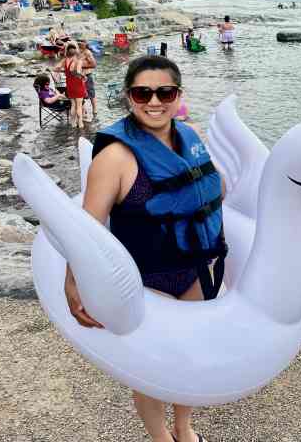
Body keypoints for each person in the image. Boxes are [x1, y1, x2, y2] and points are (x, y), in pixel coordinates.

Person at [65, 55, 226, 442]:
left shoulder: (190, 139)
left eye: (164, 92)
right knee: (153, 372)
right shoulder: (114, 157)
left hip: (191, 271)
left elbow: (211, 190)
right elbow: (87, 228)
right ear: (129, 97)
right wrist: (73, 282)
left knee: (189, 359)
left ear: (178, 95)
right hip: (142, 281)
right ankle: (160, 437)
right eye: (143, 93)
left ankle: (184, 427)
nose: (154, 102)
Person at [56, 43, 87, 128]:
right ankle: (80, 123)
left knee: (73, 105)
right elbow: (77, 72)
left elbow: (57, 67)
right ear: (75, 51)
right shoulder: (78, 61)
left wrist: (60, 73)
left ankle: (73, 123)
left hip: (69, 85)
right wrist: (83, 77)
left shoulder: (65, 60)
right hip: (78, 85)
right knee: (79, 106)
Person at [77, 40, 98, 122]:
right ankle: (84, 111)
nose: (80, 44)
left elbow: (94, 64)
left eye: (81, 42)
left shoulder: (87, 52)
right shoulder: (77, 52)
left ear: (85, 44)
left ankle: (94, 110)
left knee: (91, 92)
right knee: (81, 94)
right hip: (78, 76)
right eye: (79, 42)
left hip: (87, 75)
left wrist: (81, 65)